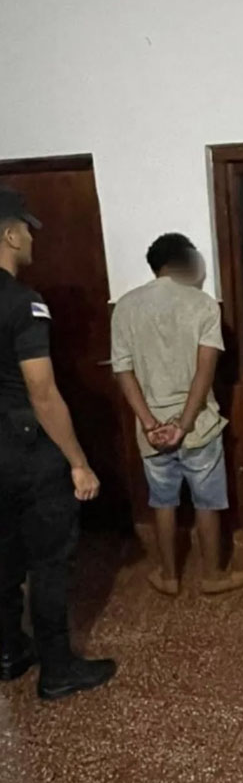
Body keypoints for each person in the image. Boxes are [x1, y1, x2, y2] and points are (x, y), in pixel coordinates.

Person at [0, 187, 116, 700]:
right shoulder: (23, 302)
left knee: (3, 555)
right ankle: (58, 669)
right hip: (26, 450)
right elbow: (42, 393)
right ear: (9, 235)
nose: (31, 239)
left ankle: (9, 652)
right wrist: (78, 463)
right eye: (26, 229)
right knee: (48, 562)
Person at [111, 233, 243, 596]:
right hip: (199, 425)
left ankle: (168, 575)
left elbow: (123, 370)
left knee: (162, 501)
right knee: (208, 502)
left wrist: (149, 423)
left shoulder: (126, 306)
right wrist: (184, 424)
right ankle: (213, 576)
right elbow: (205, 372)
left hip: (152, 429)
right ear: (186, 261)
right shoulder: (203, 305)